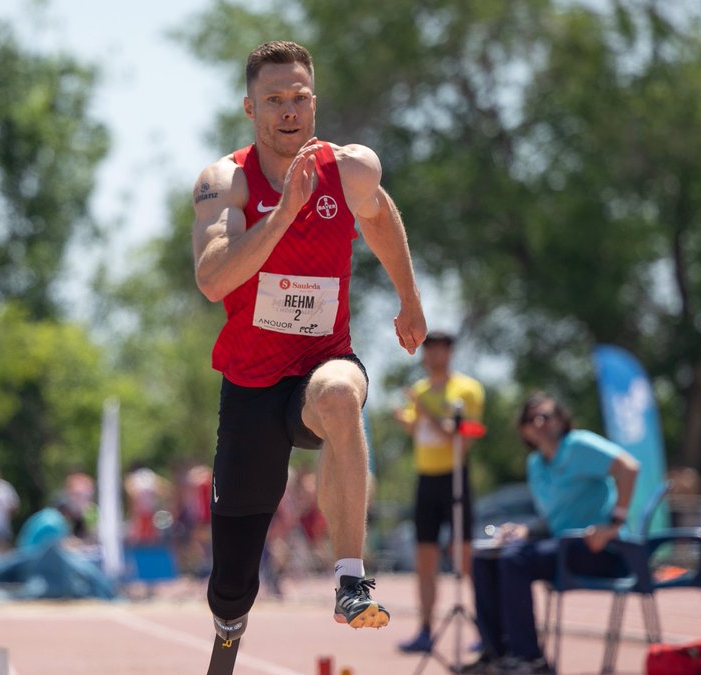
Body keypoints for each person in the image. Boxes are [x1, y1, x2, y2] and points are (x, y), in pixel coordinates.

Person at [190, 40, 427, 645]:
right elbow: (213, 280)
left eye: (299, 97)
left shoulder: (349, 168)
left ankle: (351, 580)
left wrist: (410, 298)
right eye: (274, 99)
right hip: (250, 385)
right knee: (233, 581)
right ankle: (229, 627)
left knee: (344, 396)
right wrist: (281, 214)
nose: (288, 110)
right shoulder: (227, 182)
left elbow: (377, 216)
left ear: (314, 101)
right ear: (250, 108)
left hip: (321, 364)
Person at [464, 392, 640, 674]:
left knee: (515, 560)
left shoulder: (578, 444)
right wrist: (525, 529)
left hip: (603, 550)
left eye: (546, 416)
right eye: (531, 418)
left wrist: (613, 526)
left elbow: (629, 469)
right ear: (523, 430)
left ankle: (531, 660)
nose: (539, 422)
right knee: (483, 558)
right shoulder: (535, 464)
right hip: (563, 546)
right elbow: (554, 518)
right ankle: (497, 656)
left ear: (561, 420)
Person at [392, 330, 485, 653]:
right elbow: (417, 428)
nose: (432, 355)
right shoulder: (418, 390)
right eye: (428, 349)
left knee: (465, 558)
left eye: (439, 349)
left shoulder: (468, 390)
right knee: (424, 559)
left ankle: (486, 629)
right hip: (425, 479)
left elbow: (463, 436)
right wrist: (407, 420)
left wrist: (425, 412)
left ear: (450, 353)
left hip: (455, 477)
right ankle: (425, 629)